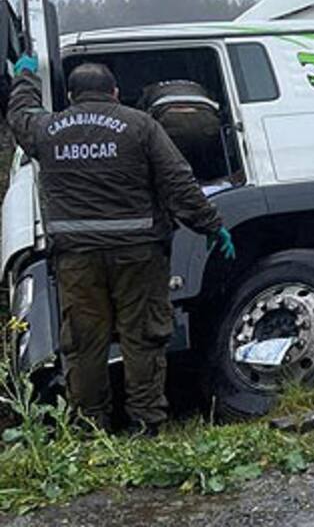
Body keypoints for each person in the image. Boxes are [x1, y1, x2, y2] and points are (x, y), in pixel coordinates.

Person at [6, 54, 236, 435]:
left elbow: (20, 113)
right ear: (114, 92)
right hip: (138, 255)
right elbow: (178, 180)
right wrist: (211, 226)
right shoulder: (140, 125)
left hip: (77, 260)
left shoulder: (47, 129)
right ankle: (146, 423)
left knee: (84, 342)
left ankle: (91, 426)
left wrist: (26, 76)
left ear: (69, 95)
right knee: (143, 338)